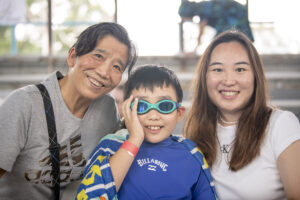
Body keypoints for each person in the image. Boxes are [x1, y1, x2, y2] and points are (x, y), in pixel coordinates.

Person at [0, 22, 137, 199]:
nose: (104, 72)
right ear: (72, 56)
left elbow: (110, 175)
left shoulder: (107, 109)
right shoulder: (24, 103)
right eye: (98, 56)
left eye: (117, 66)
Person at [184, 30, 300, 199]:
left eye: (240, 69)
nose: (229, 80)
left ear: (255, 76)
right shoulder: (197, 131)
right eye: (217, 69)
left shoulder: (280, 124)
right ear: (205, 78)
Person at [76, 65, 218, 200]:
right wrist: (134, 139)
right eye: (142, 106)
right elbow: (90, 195)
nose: (153, 116)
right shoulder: (111, 146)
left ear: (179, 114)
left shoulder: (191, 153)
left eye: (165, 106)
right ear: (127, 109)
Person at [178, 0, 254, 52]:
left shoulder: (202, 10)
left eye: (183, 18)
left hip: (234, 14)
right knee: (222, 42)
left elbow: (201, 33)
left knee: (219, 42)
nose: (184, 20)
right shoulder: (202, 7)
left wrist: (195, 50)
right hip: (235, 14)